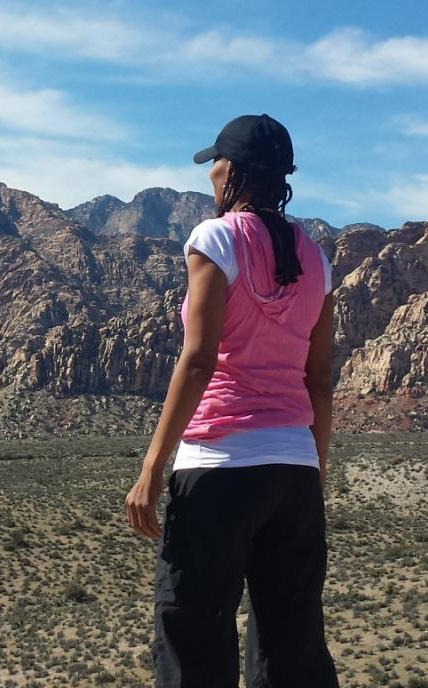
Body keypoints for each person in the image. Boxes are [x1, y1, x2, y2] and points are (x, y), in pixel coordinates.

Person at [125, 114, 339, 688]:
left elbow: (198, 361)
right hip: (293, 473)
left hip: (217, 469)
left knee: (193, 640)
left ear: (235, 171)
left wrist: (152, 467)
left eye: (215, 163)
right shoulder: (317, 259)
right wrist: (314, 468)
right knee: (291, 648)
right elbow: (319, 381)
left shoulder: (215, 239)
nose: (210, 175)